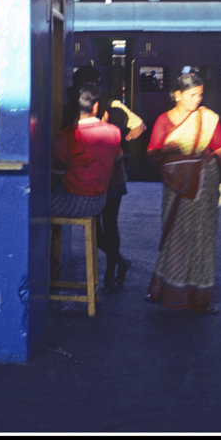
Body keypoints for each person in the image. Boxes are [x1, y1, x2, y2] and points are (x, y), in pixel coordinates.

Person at [145, 73, 221, 314]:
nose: (198, 99)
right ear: (177, 95)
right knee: (175, 235)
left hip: (205, 186)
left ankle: (199, 296)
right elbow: (152, 153)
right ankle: (167, 289)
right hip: (177, 188)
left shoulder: (207, 118)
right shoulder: (164, 121)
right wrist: (166, 150)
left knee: (203, 238)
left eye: (200, 94)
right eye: (192, 95)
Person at [67, 66, 146, 293]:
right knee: (110, 225)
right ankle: (115, 267)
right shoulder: (111, 104)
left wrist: (117, 138)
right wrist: (119, 138)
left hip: (90, 178)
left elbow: (138, 126)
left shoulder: (76, 105)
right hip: (113, 178)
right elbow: (139, 126)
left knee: (95, 225)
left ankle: (115, 266)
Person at [52, 83, 122, 218]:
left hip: (73, 203)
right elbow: (117, 161)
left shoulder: (65, 137)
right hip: (100, 201)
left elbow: (56, 174)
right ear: (95, 106)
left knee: (33, 203)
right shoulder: (114, 132)